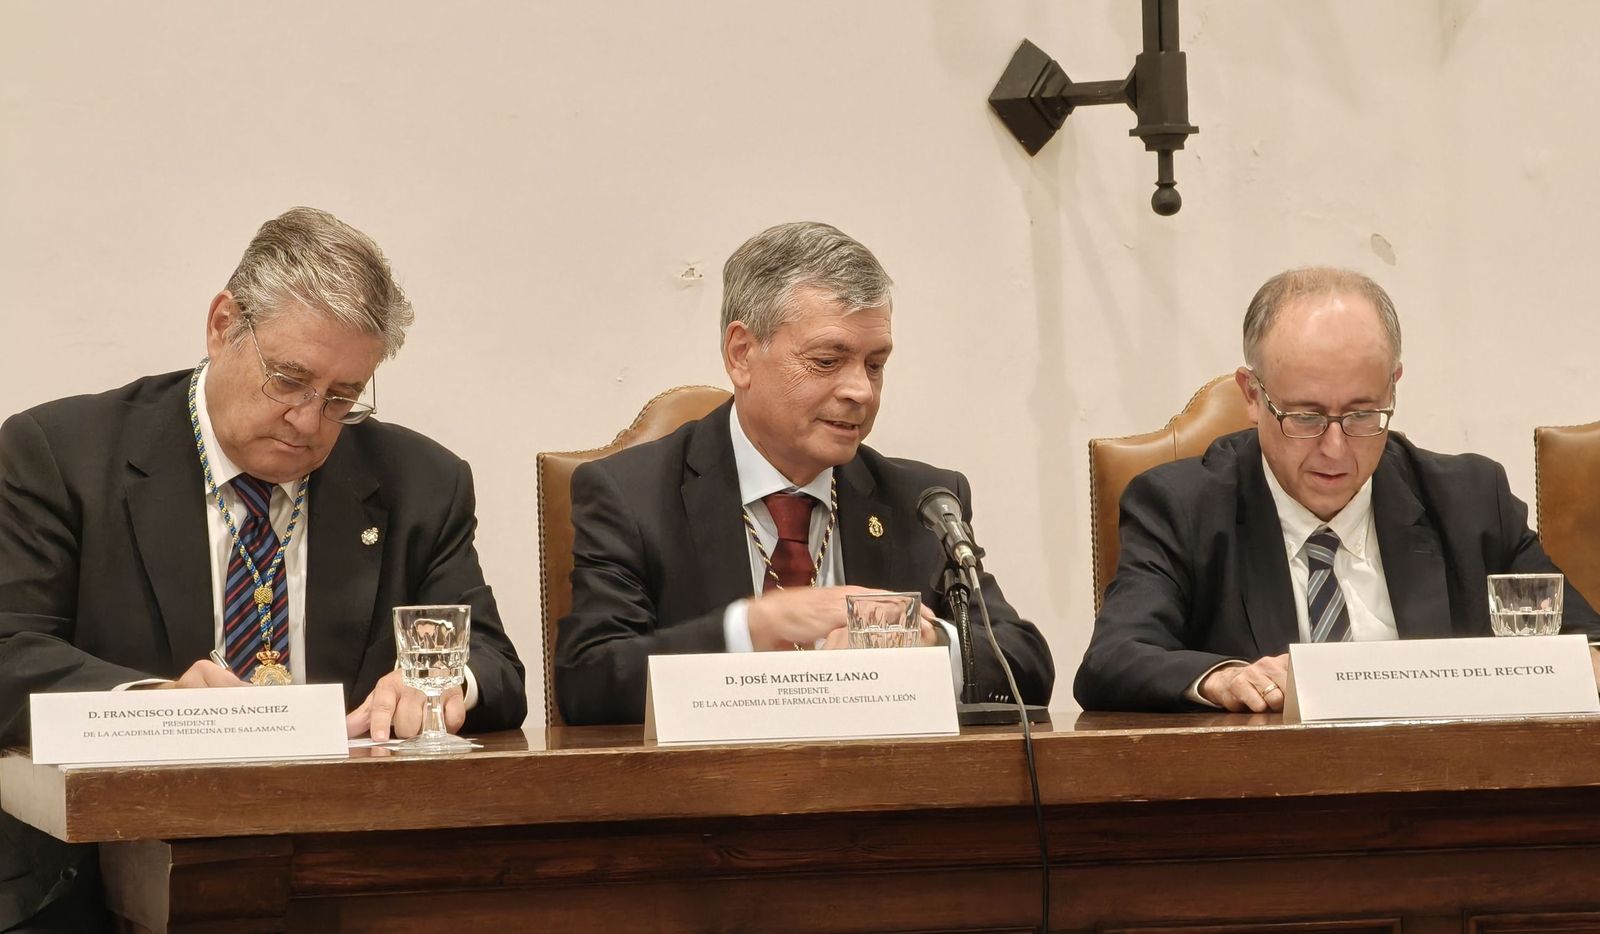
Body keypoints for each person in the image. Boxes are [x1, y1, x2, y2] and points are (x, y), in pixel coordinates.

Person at [0, 207, 526, 930]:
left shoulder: (420, 482)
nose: (309, 422)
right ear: (222, 325)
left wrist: (438, 683)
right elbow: (9, 651)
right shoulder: (60, 457)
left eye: (342, 397)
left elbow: (495, 662)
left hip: (344, 874)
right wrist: (148, 700)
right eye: (289, 379)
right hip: (100, 879)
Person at [554, 221, 1054, 725]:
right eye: (827, 360)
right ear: (741, 354)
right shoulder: (632, 495)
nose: (860, 390)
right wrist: (752, 627)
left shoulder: (919, 502)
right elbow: (590, 681)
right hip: (707, 792)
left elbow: (1026, 661)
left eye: (875, 365)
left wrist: (928, 641)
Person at [1074, 266, 1600, 713]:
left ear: (1393, 385)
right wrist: (1222, 677)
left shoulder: (1468, 500)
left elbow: (1586, 646)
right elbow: (1113, 657)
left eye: (1361, 414)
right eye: (1304, 416)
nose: (1334, 448)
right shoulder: (1182, 507)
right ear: (1252, 395)